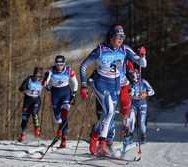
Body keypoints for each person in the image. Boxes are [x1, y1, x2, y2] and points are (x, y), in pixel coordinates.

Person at [80, 24, 147, 155]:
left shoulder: (124, 50)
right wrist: (83, 85)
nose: (121, 39)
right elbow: (83, 65)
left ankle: (95, 133)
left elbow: (142, 64)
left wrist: (143, 55)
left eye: (123, 37)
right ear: (111, 37)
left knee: (108, 115)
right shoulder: (100, 50)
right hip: (101, 83)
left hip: (115, 85)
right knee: (110, 111)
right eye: (118, 36)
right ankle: (102, 144)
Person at [43, 55, 78, 148]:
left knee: (64, 115)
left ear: (64, 64)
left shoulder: (68, 70)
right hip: (55, 95)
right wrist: (45, 82)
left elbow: (75, 82)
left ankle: (63, 139)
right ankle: (59, 131)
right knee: (58, 118)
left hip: (66, 93)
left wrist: (74, 94)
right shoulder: (51, 70)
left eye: (61, 64)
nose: (59, 66)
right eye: (57, 64)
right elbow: (46, 81)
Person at [124, 69, 155, 146]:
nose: (132, 78)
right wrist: (130, 93)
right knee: (131, 120)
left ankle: (143, 137)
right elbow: (127, 93)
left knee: (141, 122)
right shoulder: (130, 83)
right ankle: (129, 137)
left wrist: (144, 94)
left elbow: (152, 91)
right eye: (131, 76)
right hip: (133, 104)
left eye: (133, 76)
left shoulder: (143, 82)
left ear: (138, 75)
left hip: (142, 105)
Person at [17, 67, 44, 142]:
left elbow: (49, 86)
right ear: (34, 74)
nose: (37, 77)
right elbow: (20, 88)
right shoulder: (28, 79)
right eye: (36, 75)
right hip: (27, 100)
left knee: (34, 113)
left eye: (39, 76)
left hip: (36, 100)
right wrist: (24, 88)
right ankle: (22, 134)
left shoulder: (42, 80)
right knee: (25, 118)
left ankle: (37, 130)